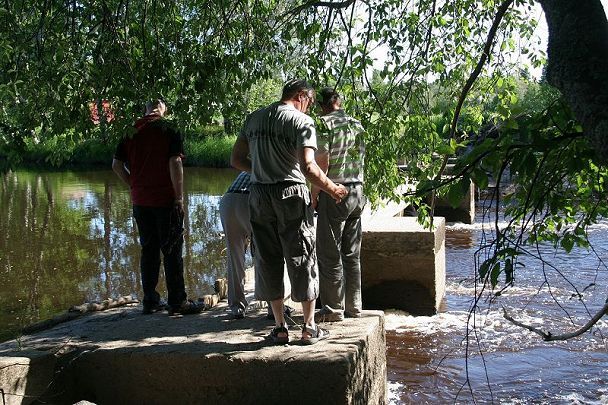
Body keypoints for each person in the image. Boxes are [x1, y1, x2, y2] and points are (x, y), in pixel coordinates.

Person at [231, 79, 348, 344]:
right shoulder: (301, 121)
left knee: (267, 258)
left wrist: (260, 171)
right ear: (301, 96)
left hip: (259, 195)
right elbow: (308, 167)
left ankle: (280, 327)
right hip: (291, 195)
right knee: (302, 256)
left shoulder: (255, 118)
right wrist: (332, 189)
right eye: (309, 101)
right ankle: (308, 328)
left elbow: (236, 160)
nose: (309, 107)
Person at [112, 99, 202, 316]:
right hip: (165, 200)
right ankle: (177, 302)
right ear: (163, 109)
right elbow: (175, 162)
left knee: (148, 250)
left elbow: (116, 165)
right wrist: (179, 198)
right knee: (172, 250)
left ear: (146, 109)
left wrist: (134, 185)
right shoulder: (169, 128)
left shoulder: (130, 130)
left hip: (140, 201)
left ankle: (150, 301)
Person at [312, 87, 366, 322]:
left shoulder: (324, 125)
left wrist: (315, 194)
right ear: (339, 101)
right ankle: (354, 307)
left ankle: (333, 309)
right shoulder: (357, 124)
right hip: (358, 190)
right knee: (352, 253)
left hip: (335, 191)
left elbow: (322, 164)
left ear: (321, 105)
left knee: (329, 252)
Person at [219, 171, 294, 320]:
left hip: (228, 201)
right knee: (264, 253)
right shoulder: (275, 164)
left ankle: (236, 307)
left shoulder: (253, 162)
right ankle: (273, 309)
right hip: (249, 200)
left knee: (234, 257)